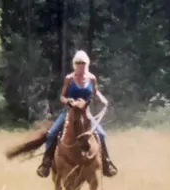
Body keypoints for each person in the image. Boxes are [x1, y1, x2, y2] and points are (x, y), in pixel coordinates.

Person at [36, 50, 118, 178]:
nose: (81, 65)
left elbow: (95, 92)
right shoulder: (69, 79)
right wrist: (67, 100)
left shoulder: (92, 78)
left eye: (83, 63)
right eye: (78, 62)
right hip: (69, 112)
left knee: (102, 134)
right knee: (51, 134)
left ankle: (106, 164)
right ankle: (46, 163)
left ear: (87, 64)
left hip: (85, 114)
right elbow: (62, 96)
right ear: (75, 64)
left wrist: (104, 100)